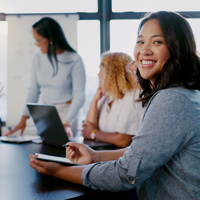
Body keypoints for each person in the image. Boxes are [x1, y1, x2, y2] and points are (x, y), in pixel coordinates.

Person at [30, 11, 200, 200]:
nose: (144, 50)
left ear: (178, 48)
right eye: (140, 41)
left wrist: (58, 171)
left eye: (157, 42)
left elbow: (125, 173)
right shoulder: (182, 93)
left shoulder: (172, 99)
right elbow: (143, 152)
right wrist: (96, 156)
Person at [7, 17, 86, 137]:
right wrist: (23, 120)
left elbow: (79, 96)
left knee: (69, 152)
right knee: (44, 151)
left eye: (38, 40)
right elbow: (33, 91)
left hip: (68, 113)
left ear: (51, 39)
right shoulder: (37, 58)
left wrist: (67, 122)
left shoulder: (74, 59)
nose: (36, 44)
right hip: (47, 113)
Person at [82, 52, 144, 147]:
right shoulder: (107, 96)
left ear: (112, 74)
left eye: (101, 71)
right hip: (104, 151)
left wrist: (94, 133)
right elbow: (88, 127)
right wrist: (95, 101)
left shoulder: (133, 96)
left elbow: (123, 140)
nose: (98, 75)